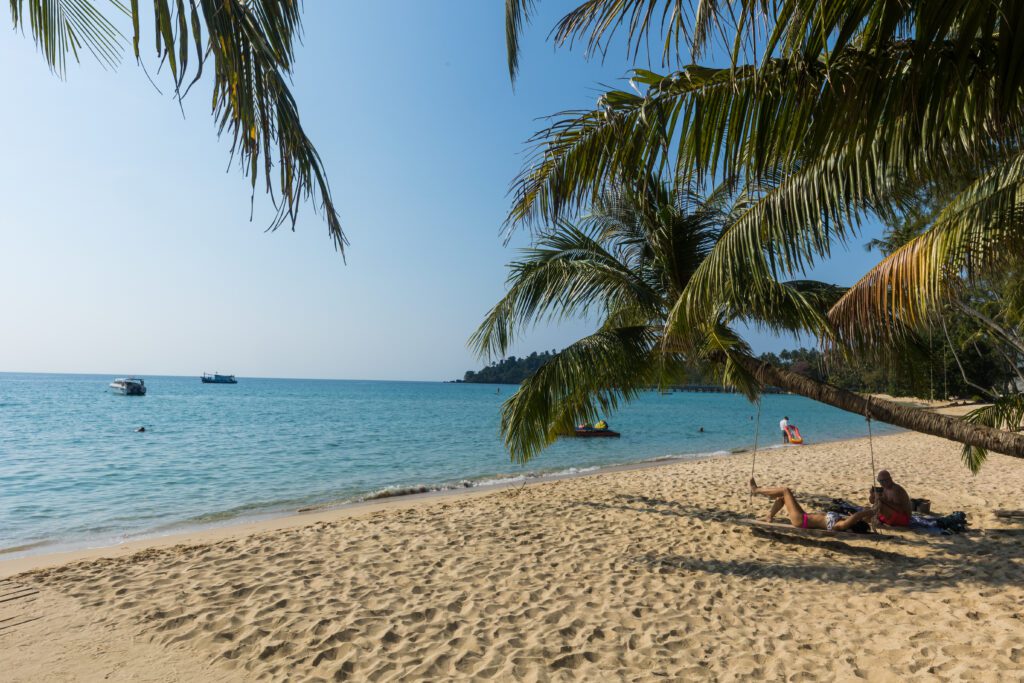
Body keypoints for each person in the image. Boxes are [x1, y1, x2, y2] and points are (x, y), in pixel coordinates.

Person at [750, 478, 877, 532]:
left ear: (854, 523)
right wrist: (873, 512)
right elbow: (859, 517)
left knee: (785, 490)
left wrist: (871, 511)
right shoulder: (843, 521)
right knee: (782, 498)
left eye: (856, 520)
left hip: (800, 520)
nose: (854, 518)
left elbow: (857, 516)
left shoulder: (840, 525)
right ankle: (769, 516)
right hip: (804, 516)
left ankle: (756, 490)